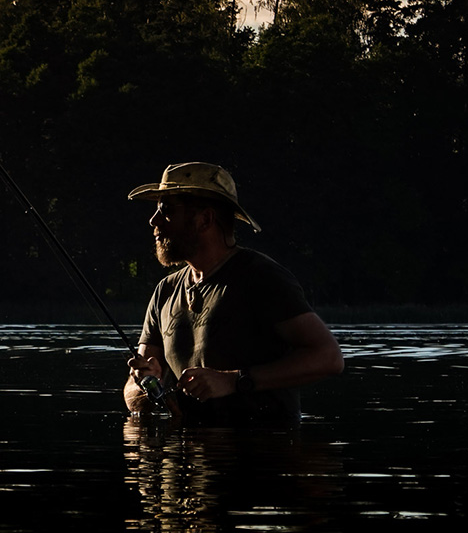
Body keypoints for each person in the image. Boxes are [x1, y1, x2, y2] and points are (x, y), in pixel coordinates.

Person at [123, 162, 344, 426]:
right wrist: (145, 387)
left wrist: (234, 380)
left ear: (205, 219)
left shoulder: (261, 277)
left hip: (263, 453)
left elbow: (329, 357)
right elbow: (131, 393)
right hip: (189, 457)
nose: (154, 221)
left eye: (166, 210)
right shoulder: (165, 292)